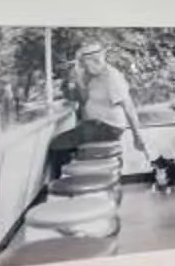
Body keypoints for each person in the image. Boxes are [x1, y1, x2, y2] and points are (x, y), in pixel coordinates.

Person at [43, 45, 143, 191]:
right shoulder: (91, 77)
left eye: (84, 64)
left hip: (107, 126)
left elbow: (128, 106)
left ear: (96, 60)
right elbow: (81, 99)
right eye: (82, 64)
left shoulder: (112, 77)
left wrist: (137, 136)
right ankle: (74, 183)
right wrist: (71, 81)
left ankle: (62, 187)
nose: (83, 67)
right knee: (63, 144)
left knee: (57, 145)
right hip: (94, 126)